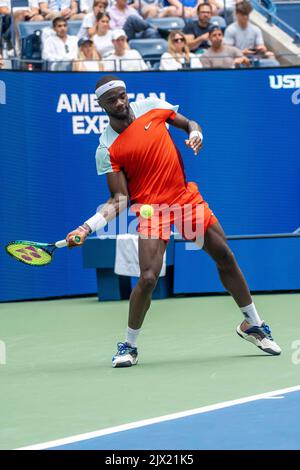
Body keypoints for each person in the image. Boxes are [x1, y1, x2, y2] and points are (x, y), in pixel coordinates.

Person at [66, 75, 282, 367]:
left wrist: (196, 134)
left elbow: (189, 123)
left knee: (225, 256)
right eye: (111, 100)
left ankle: (253, 324)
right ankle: (129, 346)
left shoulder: (153, 107)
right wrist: (86, 227)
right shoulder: (106, 148)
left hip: (184, 201)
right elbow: (118, 198)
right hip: (150, 211)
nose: (119, 102)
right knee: (148, 278)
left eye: (122, 95)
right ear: (100, 105)